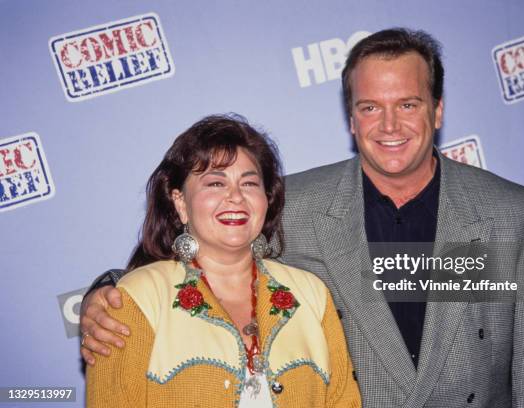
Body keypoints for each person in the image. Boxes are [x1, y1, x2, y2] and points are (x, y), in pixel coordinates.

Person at [81, 28, 524, 407]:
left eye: (409, 105)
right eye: (371, 107)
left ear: (437, 111)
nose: (390, 126)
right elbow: (206, 264)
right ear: (351, 119)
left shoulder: (512, 214)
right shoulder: (295, 203)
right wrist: (104, 294)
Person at [85, 115, 360, 407]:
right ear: (180, 203)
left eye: (250, 183)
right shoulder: (136, 298)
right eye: (215, 183)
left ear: (266, 200)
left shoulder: (311, 294)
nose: (236, 197)